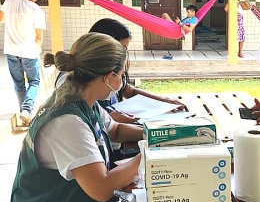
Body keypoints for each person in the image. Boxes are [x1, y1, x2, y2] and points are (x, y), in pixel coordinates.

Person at [10, 33, 145, 202]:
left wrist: (157, 135)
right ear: (108, 77)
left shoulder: (84, 99)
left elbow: (114, 129)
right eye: (121, 75)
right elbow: (102, 188)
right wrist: (147, 154)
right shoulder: (68, 122)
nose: (121, 80)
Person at [54, 18, 188, 124]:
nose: (124, 54)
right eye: (122, 48)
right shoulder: (72, 83)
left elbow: (128, 91)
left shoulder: (108, 73)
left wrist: (163, 101)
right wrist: (112, 118)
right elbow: (82, 118)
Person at [0, 0, 53, 126]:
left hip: (11, 50)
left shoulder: (10, 0)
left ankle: (24, 112)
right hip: (29, 52)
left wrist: (13, 17)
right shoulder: (37, 11)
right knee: (34, 82)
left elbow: (1, 18)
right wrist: (37, 50)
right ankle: (27, 110)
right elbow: (38, 38)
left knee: (19, 83)